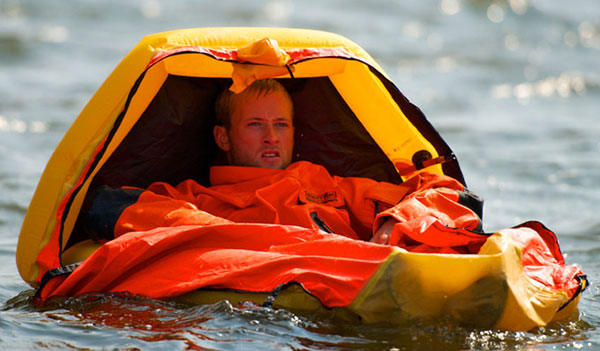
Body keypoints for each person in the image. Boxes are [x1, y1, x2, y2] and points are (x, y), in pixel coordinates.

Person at [82, 79, 483, 252]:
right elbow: (107, 205)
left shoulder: (328, 184)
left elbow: (441, 191)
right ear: (223, 138)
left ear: (294, 133)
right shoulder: (196, 198)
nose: (271, 137)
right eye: (255, 125)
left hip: (353, 277)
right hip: (266, 309)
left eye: (280, 125)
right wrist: (232, 235)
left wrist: (394, 223)